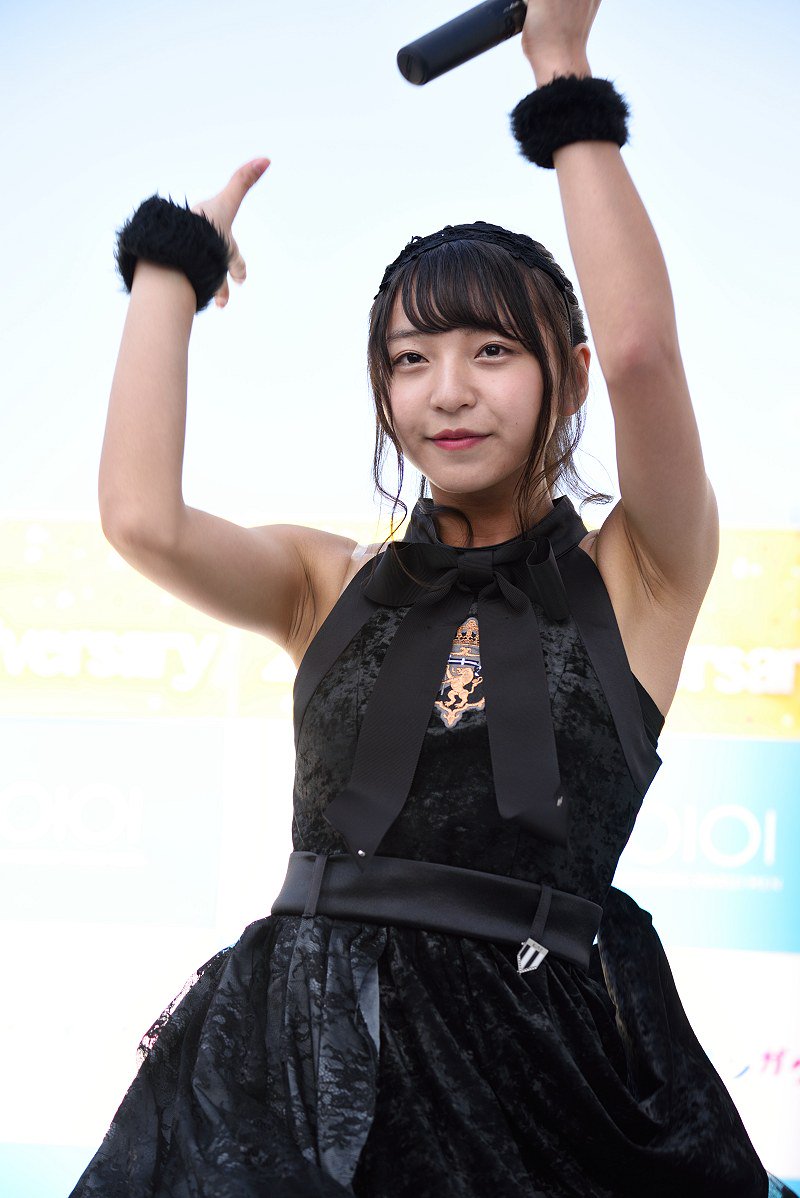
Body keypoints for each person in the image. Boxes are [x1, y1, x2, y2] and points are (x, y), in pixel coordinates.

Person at [71, 2, 796, 1196]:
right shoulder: (325, 581)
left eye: (490, 351)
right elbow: (141, 518)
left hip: (539, 1071)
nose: (446, 391)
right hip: (295, 1069)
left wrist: (559, 72)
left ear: (564, 378)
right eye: (409, 359)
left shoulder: (639, 572)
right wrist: (170, 268)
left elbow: (640, 355)